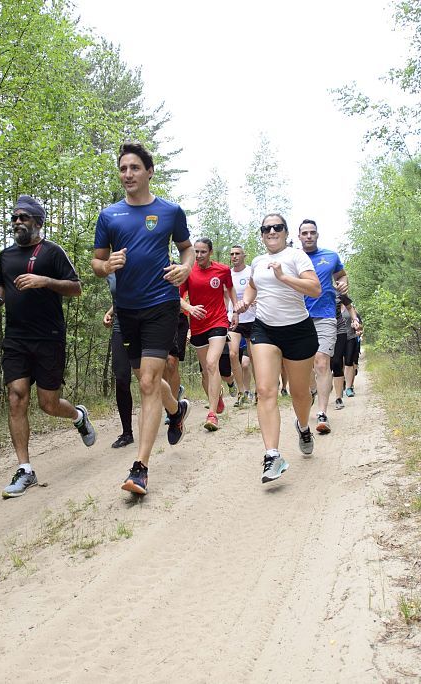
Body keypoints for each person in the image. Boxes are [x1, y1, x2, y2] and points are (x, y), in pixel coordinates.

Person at [92, 142, 194, 495]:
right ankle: (176, 409)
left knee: (148, 382)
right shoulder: (109, 216)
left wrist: (185, 268)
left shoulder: (170, 211)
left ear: (149, 172)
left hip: (161, 304)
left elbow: (187, 248)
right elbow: (96, 263)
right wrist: (106, 266)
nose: (128, 174)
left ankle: (140, 468)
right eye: (123, 169)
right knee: (146, 379)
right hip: (126, 310)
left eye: (134, 168)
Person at [0, 195, 96, 499]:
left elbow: (76, 288)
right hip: (16, 338)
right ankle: (25, 470)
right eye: (14, 218)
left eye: (23, 217)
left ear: (38, 221)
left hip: (49, 337)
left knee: (48, 404)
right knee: (16, 397)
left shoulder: (52, 252)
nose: (17, 222)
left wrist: (45, 281)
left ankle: (78, 416)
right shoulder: (6, 255)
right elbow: (3, 284)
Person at [235, 213, 321, 483]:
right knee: (265, 390)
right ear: (261, 234)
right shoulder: (258, 262)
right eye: (266, 228)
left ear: (285, 232)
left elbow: (315, 289)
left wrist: (284, 277)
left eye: (277, 227)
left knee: (300, 394)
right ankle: (272, 455)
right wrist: (247, 302)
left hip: (298, 330)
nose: (272, 231)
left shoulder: (297, 257)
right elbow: (252, 286)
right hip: (265, 329)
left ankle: (303, 426)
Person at [180, 238, 236, 431]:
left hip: (218, 321)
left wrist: (235, 309)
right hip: (197, 325)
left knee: (213, 363)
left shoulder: (222, 270)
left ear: (210, 252)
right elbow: (178, 297)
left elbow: (230, 288)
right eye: (196, 252)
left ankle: (212, 415)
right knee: (206, 371)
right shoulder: (188, 271)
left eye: (203, 252)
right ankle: (217, 398)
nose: (199, 255)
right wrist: (189, 307)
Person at [298, 219, 347, 435]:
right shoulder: (293, 258)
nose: (308, 236)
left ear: (317, 235)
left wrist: (344, 283)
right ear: (299, 237)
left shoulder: (331, 256)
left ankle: (322, 414)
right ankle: (312, 390)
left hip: (325, 316)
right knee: (305, 366)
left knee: (321, 363)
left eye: (312, 233)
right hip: (298, 317)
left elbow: (341, 276)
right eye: (304, 233)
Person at [103, 273, 134, 448]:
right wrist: (109, 312)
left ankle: (173, 410)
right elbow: (119, 298)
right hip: (120, 328)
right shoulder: (110, 272)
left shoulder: (143, 261)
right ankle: (127, 433)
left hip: (144, 328)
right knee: (122, 378)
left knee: (149, 378)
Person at [228, 245, 256, 405]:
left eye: (237, 253)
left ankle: (258, 391)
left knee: (251, 359)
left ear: (244, 255)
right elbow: (225, 296)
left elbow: (259, 289)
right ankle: (241, 392)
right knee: (233, 354)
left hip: (252, 318)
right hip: (234, 318)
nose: (234, 256)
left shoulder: (251, 271)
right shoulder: (227, 274)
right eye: (232, 254)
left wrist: (257, 300)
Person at [331, 294, 360, 410]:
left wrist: (356, 322)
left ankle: (347, 388)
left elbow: (356, 317)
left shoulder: (340, 294)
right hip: (328, 334)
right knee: (331, 364)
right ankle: (333, 383)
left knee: (346, 362)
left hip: (349, 336)